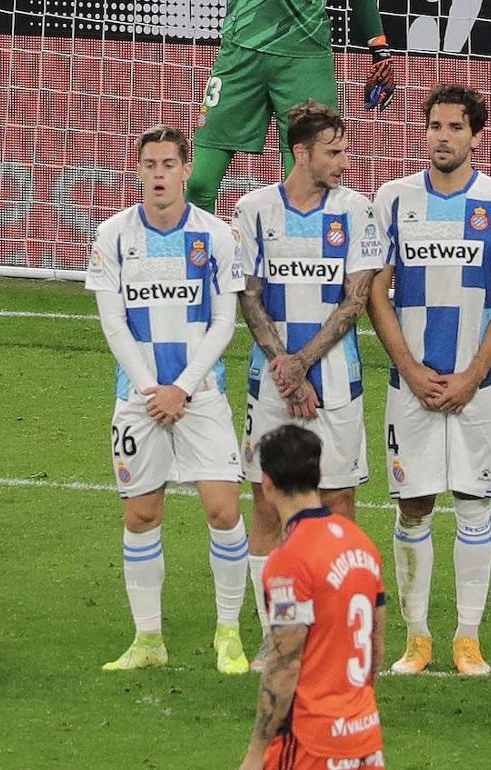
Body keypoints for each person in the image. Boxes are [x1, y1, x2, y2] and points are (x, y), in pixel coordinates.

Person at [367, 85, 491, 676]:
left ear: (476, 136)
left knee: (474, 505)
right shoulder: (393, 198)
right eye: (434, 125)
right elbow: (376, 291)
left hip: (477, 387)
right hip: (410, 384)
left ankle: (467, 638)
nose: (442, 136)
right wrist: (410, 368)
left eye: (455, 127)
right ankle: (417, 638)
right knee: (412, 505)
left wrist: (473, 374)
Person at [86, 125, 250, 674]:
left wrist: (182, 386)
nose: (158, 174)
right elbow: (113, 323)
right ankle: (148, 640)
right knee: (141, 515)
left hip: (200, 395)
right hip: (138, 399)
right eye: (149, 164)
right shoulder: (113, 236)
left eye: (168, 164)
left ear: (187, 172)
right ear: (138, 170)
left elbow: (225, 320)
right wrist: (150, 388)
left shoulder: (216, 236)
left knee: (223, 511)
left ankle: (228, 632)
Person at [234, 101, 384, 670]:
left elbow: (354, 301)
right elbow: (248, 294)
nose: (344, 162)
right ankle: (277, 636)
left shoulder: (358, 211)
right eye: (334, 152)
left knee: (340, 502)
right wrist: (284, 367)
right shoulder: (253, 210)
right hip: (270, 383)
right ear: (302, 153)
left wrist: (301, 366)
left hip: (336, 381)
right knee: (268, 503)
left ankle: (334, 634)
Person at [238, 425, 385, 770]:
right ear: (319, 475)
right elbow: (376, 647)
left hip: (311, 744)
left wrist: (257, 751)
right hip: (364, 738)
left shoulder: (289, 560)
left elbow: (284, 665)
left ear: (268, 484)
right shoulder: (361, 543)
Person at [187, 0, 395, 214]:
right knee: (198, 183)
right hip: (240, 53)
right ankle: (198, 247)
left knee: (307, 188)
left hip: (307, 57)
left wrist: (379, 51)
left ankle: (297, 247)